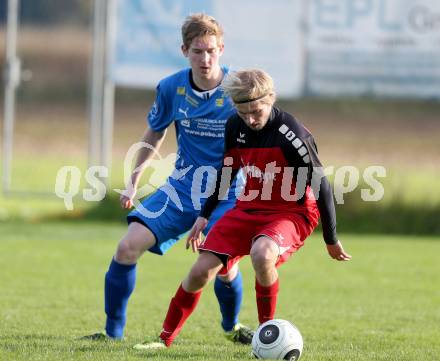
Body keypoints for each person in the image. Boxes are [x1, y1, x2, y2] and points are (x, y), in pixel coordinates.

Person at [140, 69, 352, 349]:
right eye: (244, 113)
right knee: (200, 271)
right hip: (249, 206)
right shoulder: (234, 126)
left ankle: (268, 337)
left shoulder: (292, 135)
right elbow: (227, 172)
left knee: (262, 254)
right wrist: (204, 215)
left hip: (291, 212)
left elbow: (322, 186)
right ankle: (164, 339)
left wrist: (331, 239)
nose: (251, 119)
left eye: (256, 111)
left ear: (271, 99)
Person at [82, 13, 253, 345]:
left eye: (211, 51)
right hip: (182, 188)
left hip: (228, 193)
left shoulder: (238, 91)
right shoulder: (171, 87)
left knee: (221, 265)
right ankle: (112, 333)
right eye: (197, 51)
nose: (205, 59)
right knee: (127, 246)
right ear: (184, 51)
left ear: (222, 49)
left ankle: (231, 326)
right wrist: (133, 180)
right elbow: (153, 136)